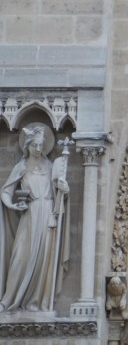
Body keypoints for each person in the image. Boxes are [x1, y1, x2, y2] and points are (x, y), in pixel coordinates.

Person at [0, 125, 69, 312]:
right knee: (20, 257)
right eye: (34, 145)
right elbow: (6, 191)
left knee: (43, 261)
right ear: (27, 146)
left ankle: (37, 302)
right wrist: (13, 205)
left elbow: (60, 191)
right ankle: (8, 300)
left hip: (47, 215)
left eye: (41, 145)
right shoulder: (21, 167)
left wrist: (64, 188)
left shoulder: (50, 166)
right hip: (29, 215)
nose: (38, 149)